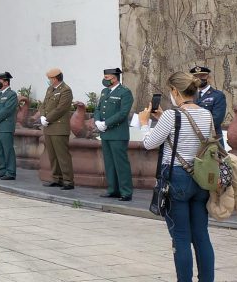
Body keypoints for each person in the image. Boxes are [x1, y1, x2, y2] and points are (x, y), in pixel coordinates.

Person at [139, 71, 215, 282]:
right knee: (201, 236)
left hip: (177, 177)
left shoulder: (172, 116)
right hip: (201, 178)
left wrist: (144, 123)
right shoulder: (206, 114)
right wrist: (163, 118)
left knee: (181, 237)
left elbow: (149, 143)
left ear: (175, 91)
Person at [95, 67, 134, 201]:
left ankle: (126, 192)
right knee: (109, 163)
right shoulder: (105, 91)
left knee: (121, 164)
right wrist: (97, 121)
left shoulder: (125, 92)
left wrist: (106, 123)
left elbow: (123, 113)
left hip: (118, 133)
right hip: (105, 133)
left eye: (107, 78)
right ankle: (113, 189)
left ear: (114, 78)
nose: (104, 80)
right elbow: (98, 109)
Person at [40, 68, 74, 190]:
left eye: (50, 78)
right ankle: (57, 179)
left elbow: (61, 109)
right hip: (49, 127)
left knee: (62, 156)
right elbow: (43, 104)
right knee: (52, 156)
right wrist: (42, 115)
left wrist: (47, 118)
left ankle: (68, 181)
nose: (49, 80)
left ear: (55, 79)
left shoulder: (65, 90)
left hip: (59, 127)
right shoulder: (50, 89)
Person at [0, 72, 18, 180]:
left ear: (6, 82)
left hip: (5, 127)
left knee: (8, 150)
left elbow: (6, 110)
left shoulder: (11, 95)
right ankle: (3, 170)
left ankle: (10, 172)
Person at [192, 65, 227, 150]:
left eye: (202, 76)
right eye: (196, 77)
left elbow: (217, 119)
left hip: (211, 139)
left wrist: (194, 128)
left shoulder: (218, 95)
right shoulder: (190, 95)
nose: (199, 79)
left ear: (209, 77)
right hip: (192, 139)